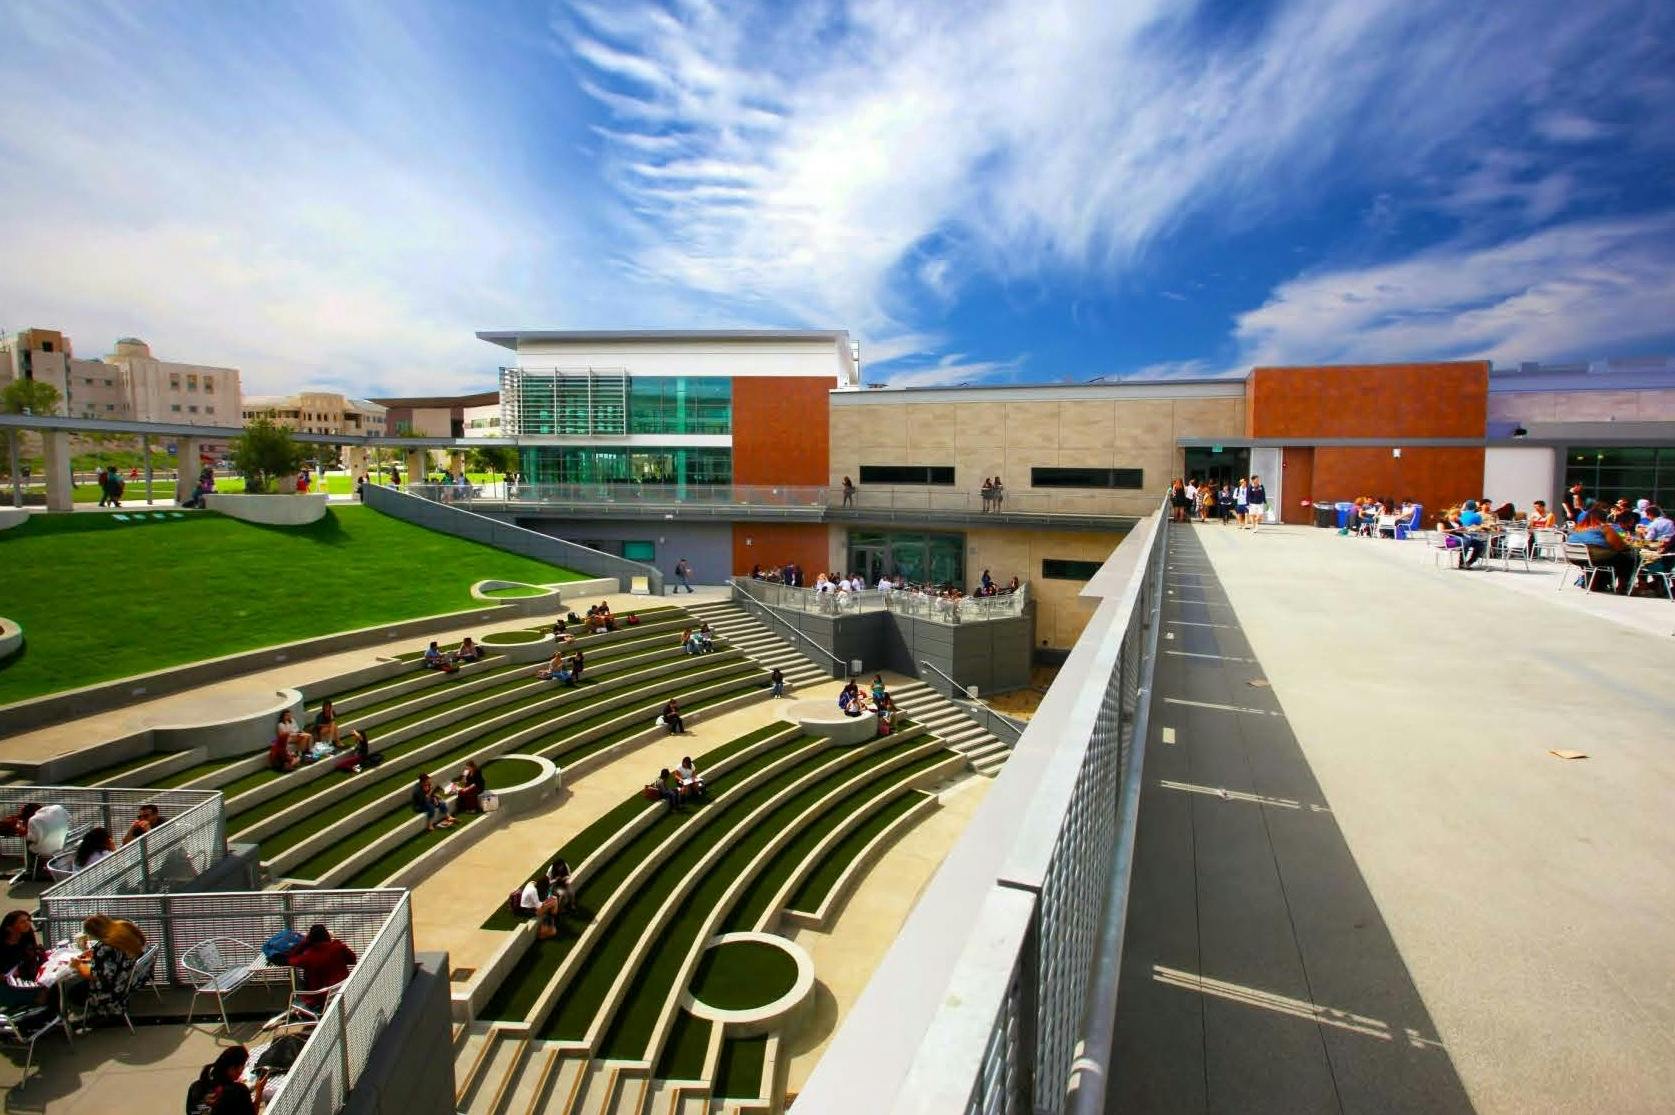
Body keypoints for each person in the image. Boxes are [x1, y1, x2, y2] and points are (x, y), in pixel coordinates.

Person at [71, 914, 146, 1028]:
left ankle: (87, 1013)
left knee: (73, 991)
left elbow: (98, 977)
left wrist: (78, 965)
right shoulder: (124, 929)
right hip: (130, 980)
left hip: (113, 991)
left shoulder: (104, 947)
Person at [1567, 506, 1636, 594]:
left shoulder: (1576, 528)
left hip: (1575, 558)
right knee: (1627, 558)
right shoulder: (1604, 528)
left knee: (1610, 557)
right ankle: (1622, 587)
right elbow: (1620, 546)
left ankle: (1596, 582)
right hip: (1594, 557)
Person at [283, 924, 356, 1008]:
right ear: (327, 935)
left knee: (300, 981)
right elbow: (352, 959)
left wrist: (304, 943)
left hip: (320, 999)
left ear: (310, 939)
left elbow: (290, 959)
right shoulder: (338, 948)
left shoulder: (308, 956)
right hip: (343, 992)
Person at [187, 1043, 269, 1115]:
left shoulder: (195, 1087)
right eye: (243, 1065)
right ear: (232, 1068)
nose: (244, 1068)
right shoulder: (238, 1091)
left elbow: (192, 1111)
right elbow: (253, 1113)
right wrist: (259, 1090)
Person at [0, 910, 48, 1010]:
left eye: (28, 920)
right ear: (9, 927)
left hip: (25, 981)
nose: (28, 924)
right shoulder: (3, 945)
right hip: (7, 986)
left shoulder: (26, 940)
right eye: (22, 922)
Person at [25, 801, 70, 880]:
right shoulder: (58, 810)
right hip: (62, 845)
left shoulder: (33, 820)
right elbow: (69, 818)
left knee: (28, 843)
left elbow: (32, 838)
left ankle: (31, 868)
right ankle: (41, 866)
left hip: (47, 849)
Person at [1455, 500, 1489, 568]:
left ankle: (1462, 562)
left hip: (1457, 536)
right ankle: (1469, 562)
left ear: (1465, 507)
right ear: (1475, 507)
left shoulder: (1460, 514)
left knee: (1469, 542)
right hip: (1469, 536)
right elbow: (1480, 526)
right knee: (1481, 545)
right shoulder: (1477, 516)